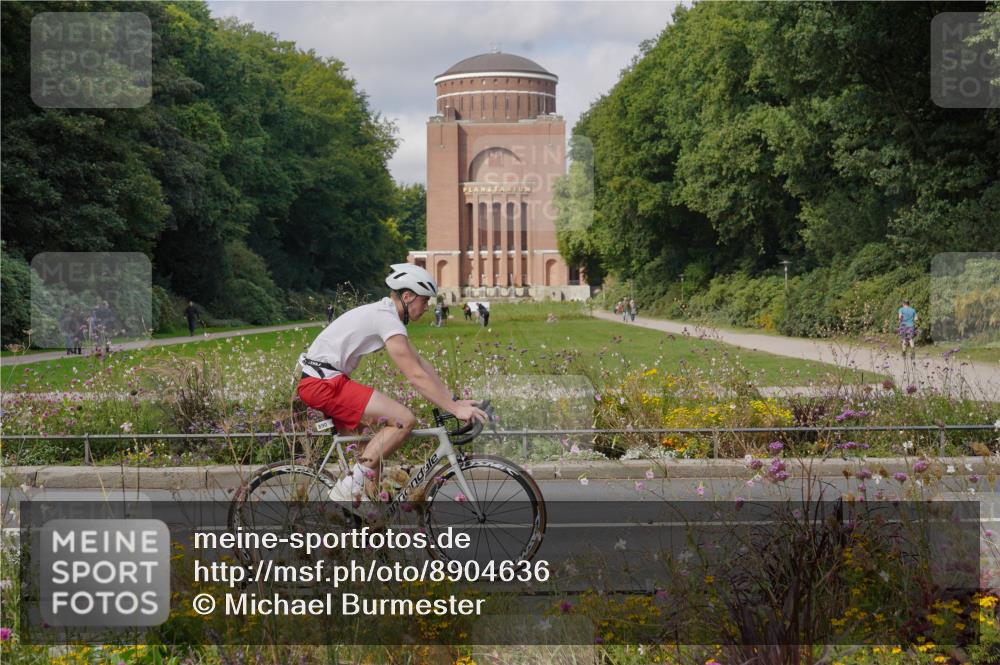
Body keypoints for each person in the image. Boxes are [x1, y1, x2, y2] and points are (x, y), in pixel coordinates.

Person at [296, 263, 487, 504]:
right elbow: (415, 376)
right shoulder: (386, 319)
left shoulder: (385, 314)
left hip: (324, 380)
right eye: (424, 300)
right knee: (403, 420)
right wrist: (455, 410)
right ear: (407, 297)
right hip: (323, 383)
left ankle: (368, 518)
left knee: (372, 453)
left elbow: (419, 363)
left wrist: (453, 400)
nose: (427, 307)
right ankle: (348, 489)